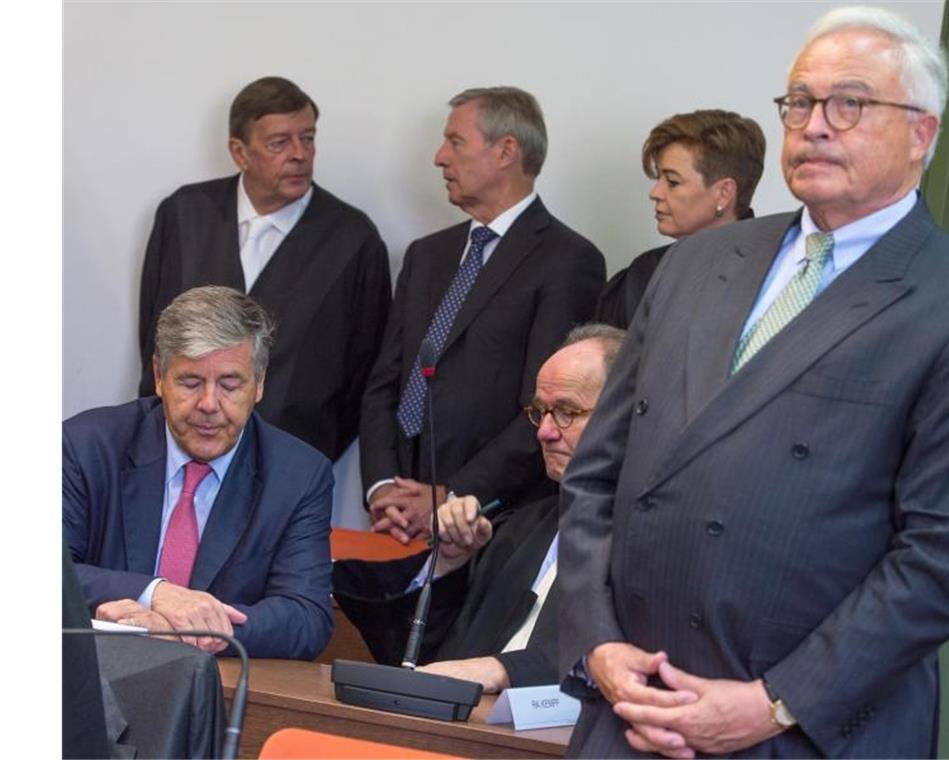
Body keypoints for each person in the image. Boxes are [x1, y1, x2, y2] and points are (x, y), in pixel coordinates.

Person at [558, 7, 949, 758]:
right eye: (799, 102)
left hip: (801, 731)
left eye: (849, 103)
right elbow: (596, 476)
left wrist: (776, 703)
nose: (815, 125)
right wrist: (596, 641)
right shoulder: (695, 264)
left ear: (923, 132)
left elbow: (946, 556)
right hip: (634, 714)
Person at [359, 86, 606, 543]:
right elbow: (384, 383)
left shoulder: (568, 260)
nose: (438, 157)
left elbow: (545, 408)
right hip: (394, 519)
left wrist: (453, 494)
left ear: (506, 151)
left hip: (491, 523)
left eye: (456, 142)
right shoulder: (426, 255)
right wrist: (382, 489)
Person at [336, 325, 623, 692]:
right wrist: (448, 563)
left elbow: (630, 660)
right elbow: (417, 657)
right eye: (540, 412)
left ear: (624, 413)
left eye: (567, 411)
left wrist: (502, 670)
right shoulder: (517, 530)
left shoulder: (660, 541)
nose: (545, 432)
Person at [66, 286, 333, 660]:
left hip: (215, 695)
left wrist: (191, 629)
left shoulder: (299, 476)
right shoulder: (88, 446)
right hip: (97, 682)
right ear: (159, 376)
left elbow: (306, 617)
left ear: (259, 384)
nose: (209, 404)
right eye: (190, 382)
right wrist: (157, 593)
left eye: (229, 384)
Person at [138, 76, 390, 462]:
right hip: (177, 452)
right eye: (280, 143)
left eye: (308, 138)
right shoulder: (184, 214)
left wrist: (310, 458)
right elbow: (155, 335)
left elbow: (366, 371)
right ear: (239, 152)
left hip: (290, 460)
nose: (299, 154)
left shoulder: (353, 239)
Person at [595, 109, 766, 329]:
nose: (655, 193)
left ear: (724, 193)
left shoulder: (773, 275)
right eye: (659, 179)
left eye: (672, 182)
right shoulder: (642, 275)